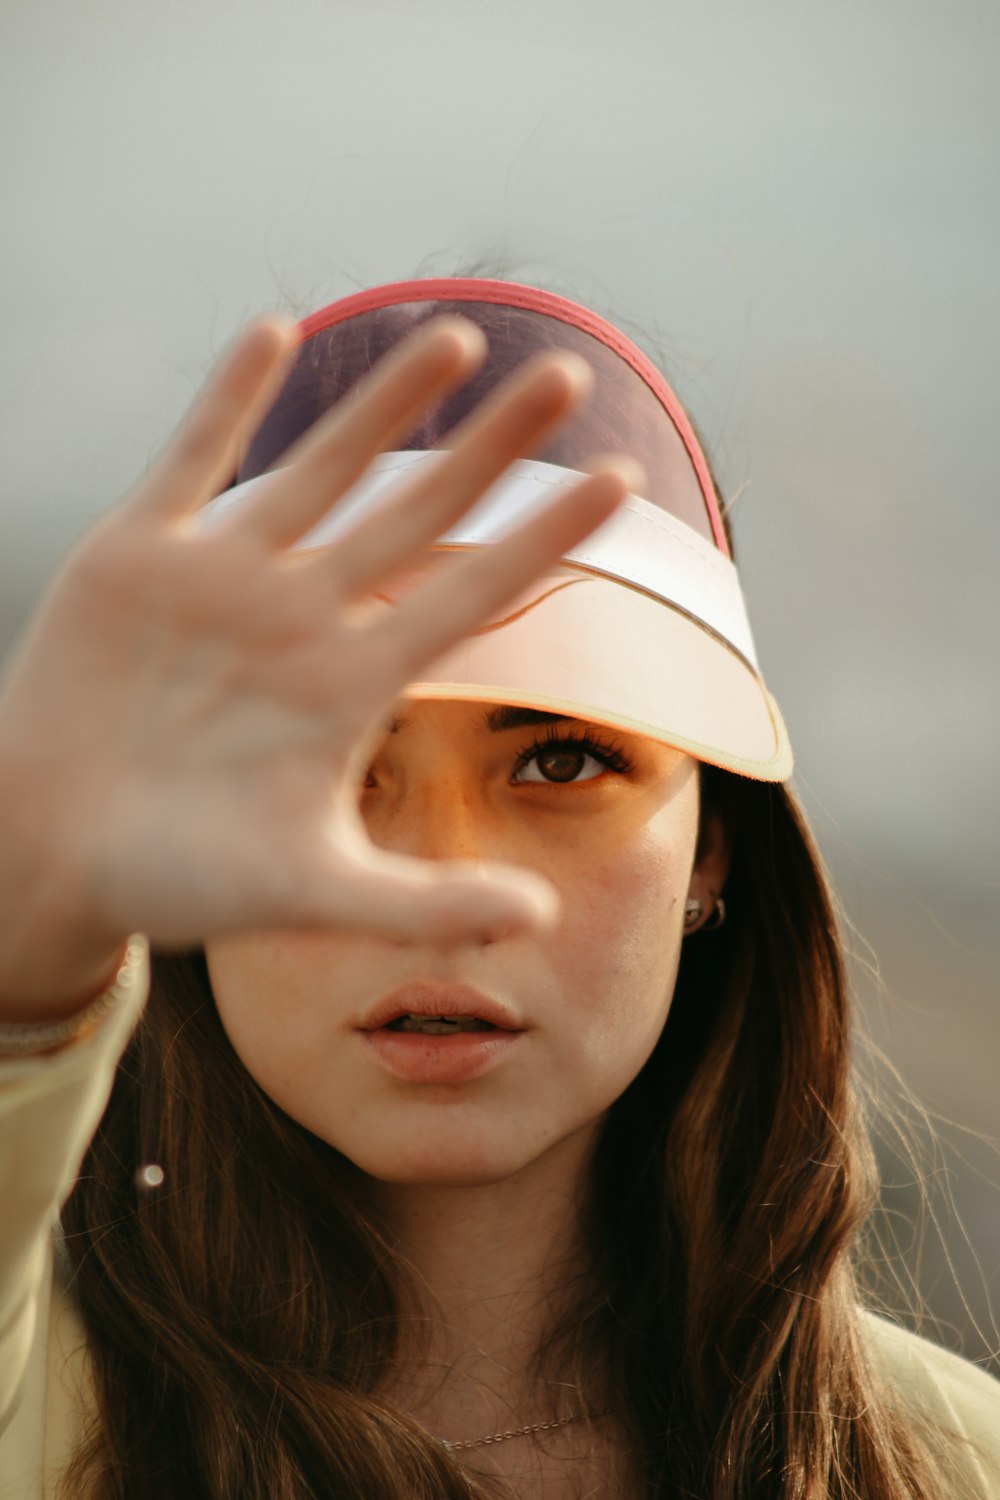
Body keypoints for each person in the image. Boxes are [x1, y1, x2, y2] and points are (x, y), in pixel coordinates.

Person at [0, 277, 997, 1500]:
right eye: (325, 762)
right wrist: (28, 944)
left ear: (712, 848)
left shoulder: (948, 1463)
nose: (444, 877)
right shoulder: (31, 1405)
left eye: (562, 760)